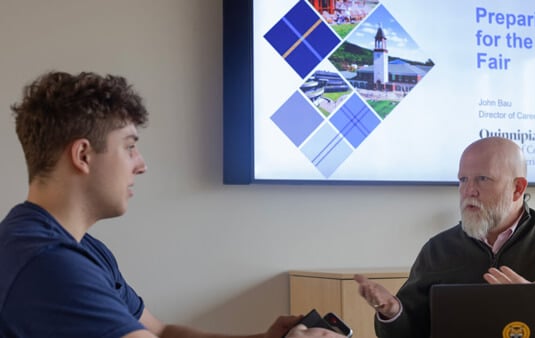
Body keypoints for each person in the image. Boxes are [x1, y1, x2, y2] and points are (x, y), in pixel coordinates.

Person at [0, 71, 345, 338]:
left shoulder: (80, 249)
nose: (141, 164)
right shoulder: (47, 263)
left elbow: (161, 332)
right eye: (130, 147)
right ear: (83, 155)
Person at [354, 137, 535, 338]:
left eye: (483, 179)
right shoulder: (438, 250)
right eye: (463, 179)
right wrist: (392, 311)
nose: (468, 190)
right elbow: (411, 332)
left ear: (517, 188)